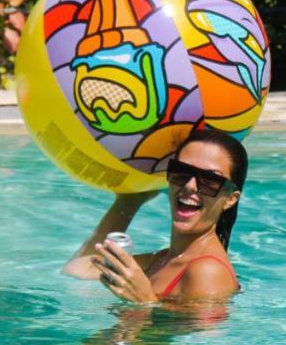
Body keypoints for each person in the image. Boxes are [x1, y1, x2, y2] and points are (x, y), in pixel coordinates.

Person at [64, 128, 247, 303]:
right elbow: (78, 269)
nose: (190, 185)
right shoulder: (162, 260)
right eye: (181, 172)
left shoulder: (207, 272)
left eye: (210, 181)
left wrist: (145, 301)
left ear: (231, 199)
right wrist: (130, 201)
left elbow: (205, 335)